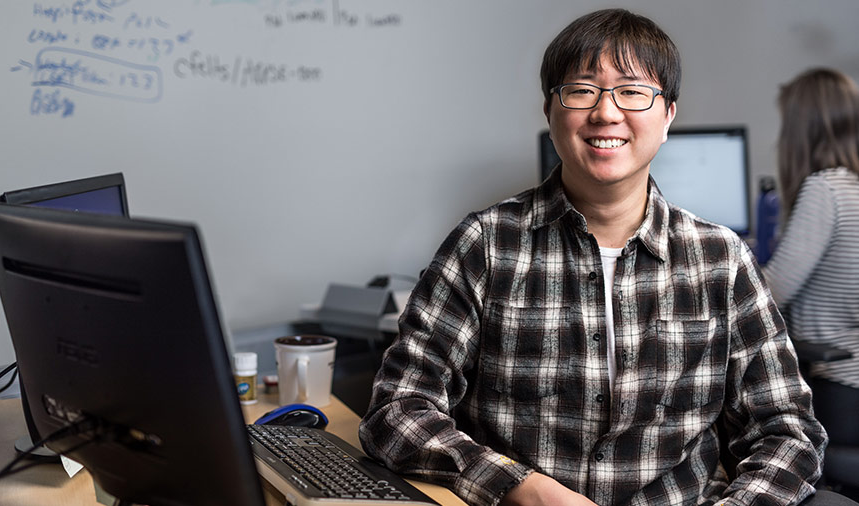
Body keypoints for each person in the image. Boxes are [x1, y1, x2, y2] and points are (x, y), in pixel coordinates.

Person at [358, 8, 827, 506]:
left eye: (632, 91)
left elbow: (788, 433)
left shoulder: (721, 260)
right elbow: (397, 409)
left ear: (668, 114)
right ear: (549, 109)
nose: (606, 113)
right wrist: (519, 486)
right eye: (582, 90)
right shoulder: (486, 245)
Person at [763, 68, 859, 485]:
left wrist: (713, 272)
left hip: (841, 387)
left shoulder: (826, 188)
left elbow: (770, 292)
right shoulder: (853, 186)